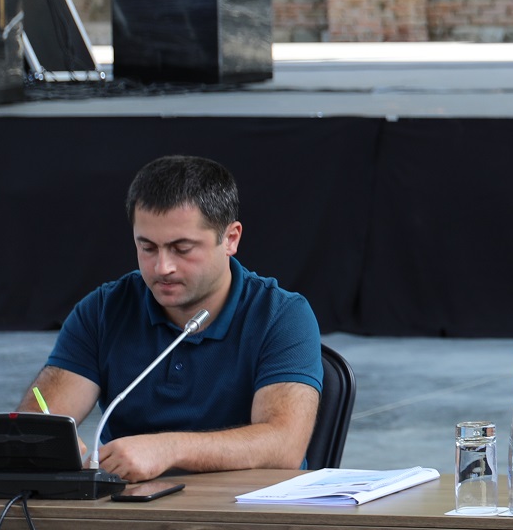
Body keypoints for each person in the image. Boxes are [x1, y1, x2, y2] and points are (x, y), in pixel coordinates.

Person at [20, 155, 322, 483]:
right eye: (147, 248)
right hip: (129, 507)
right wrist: (57, 448)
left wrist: (169, 449)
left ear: (230, 239)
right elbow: (37, 420)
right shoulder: (104, 310)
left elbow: (284, 446)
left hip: (246, 508)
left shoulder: (282, 315)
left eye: (182, 248)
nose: (162, 268)